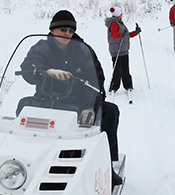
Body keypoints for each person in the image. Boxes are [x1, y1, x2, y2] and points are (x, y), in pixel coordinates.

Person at [19, 10, 123, 187]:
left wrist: (88, 106)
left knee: (110, 112)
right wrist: (45, 72)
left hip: (77, 101)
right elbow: (29, 67)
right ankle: (21, 162)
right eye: (62, 29)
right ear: (52, 30)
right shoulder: (42, 47)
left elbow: (96, 80)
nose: (67, 33)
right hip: (46, 100)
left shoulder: (83, 50)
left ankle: (106, 163)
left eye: (70, 30)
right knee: (23, 106)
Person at [105, 6, 141, 94]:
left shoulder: (119, 22)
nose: (122, 15)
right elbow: (114, 34)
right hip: (116, 50)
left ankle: (128, 85)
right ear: (118, 14)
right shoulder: (114, 23)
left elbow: (126, 35)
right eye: (121, 13)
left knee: (125, 69)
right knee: (117, 70)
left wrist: (135, 32)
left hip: (123, 50)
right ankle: (114, 87)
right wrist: (120, 35)